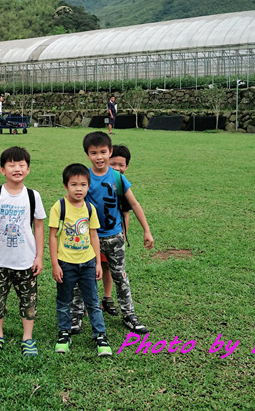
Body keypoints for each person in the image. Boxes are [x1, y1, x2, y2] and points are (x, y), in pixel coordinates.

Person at [79, 131, 153, 335]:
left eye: (103, 152)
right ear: (87, 155)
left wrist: (146, 230)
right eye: (94, 153)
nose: (99, 157)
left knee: (120, 276)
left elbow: (134, 204)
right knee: (85, 276)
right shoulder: (83, 177)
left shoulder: (118, 177)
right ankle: (77, 314)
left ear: (110, 152)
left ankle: (129, 314)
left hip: (115, 237)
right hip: (89, 238)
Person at [0, 146, 45, 356]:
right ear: (2, 170)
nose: (17, 168)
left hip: (25, 259)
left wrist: (40, 256)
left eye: (22, 165)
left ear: (28, 169)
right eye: (11, 164)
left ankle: (27, 338)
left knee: (29, 300)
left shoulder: (33, 196)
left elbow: (39, 226)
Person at [49, 164, 113, 356]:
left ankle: (100, 336)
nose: (79, 189)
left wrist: (97, 263)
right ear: (65, 185)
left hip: (87, 264)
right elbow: (52, 236)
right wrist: (54, 264)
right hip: (65, 264)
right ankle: (64, 333)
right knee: (64, 301)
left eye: (83, 184)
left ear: (88, 186)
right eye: (74, 184)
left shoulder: (90, 208)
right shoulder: (59, 207)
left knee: (92, 301)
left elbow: (94, 236)